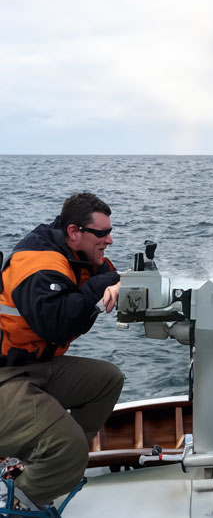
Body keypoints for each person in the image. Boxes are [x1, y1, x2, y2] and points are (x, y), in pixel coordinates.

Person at [0, 193, 124, 511]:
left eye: (110, 232)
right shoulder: (39, 264)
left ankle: (40, 464)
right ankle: (19, 504)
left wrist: (120, 282)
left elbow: (110, 275)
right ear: (73, 232)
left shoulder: (79, 255)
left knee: (106, 381)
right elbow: (57, 324)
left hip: (33, 366)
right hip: (4, 374)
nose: (109, 240)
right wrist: (103, 287)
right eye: (102, 233)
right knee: (67, 447)